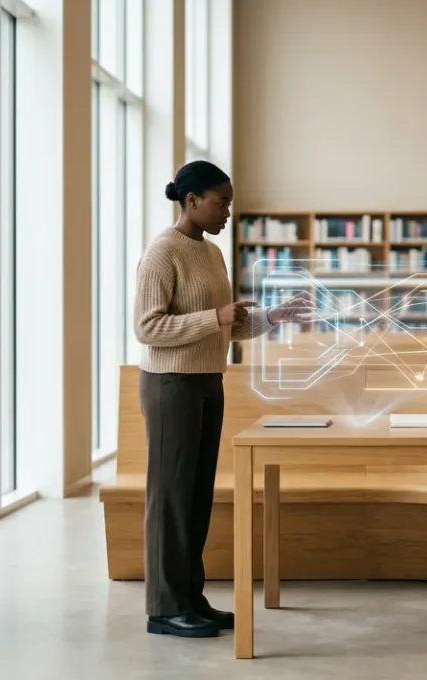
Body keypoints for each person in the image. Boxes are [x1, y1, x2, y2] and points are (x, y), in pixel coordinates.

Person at [133, 160, 310, 638]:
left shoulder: (212, 254)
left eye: (229, 203)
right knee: (170, 497)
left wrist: (273, 316)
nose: (228, 212)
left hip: (208, 380)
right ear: (191, 201)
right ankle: (165, 607)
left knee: (195, 496)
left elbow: (225, 326)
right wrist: (215, 317)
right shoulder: (161, 253)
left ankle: (190, 597)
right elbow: (147, 328)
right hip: (170, 385)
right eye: (221, 202)